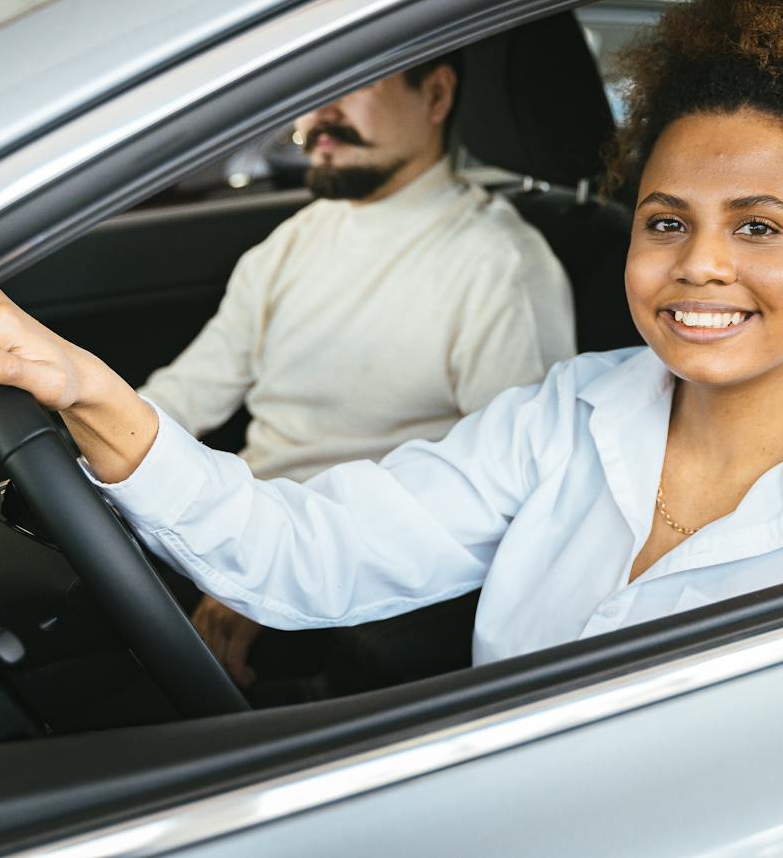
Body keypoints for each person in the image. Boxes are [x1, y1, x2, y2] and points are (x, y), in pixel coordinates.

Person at [0, 0, 783, 668]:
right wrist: (88, 389)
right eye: (664, 222)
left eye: (756, 228)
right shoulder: (567, 416)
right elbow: (304, 549)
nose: (698, 266)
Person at [137, 56, 576, 682]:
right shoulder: (297, 238)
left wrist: (282, 584)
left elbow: (515, 495)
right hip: (232, 533)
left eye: (353, 80)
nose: (321, 115)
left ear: (437, 96)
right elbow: (188, 393)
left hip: (346, 582)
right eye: (311, 88)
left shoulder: (498, 266)